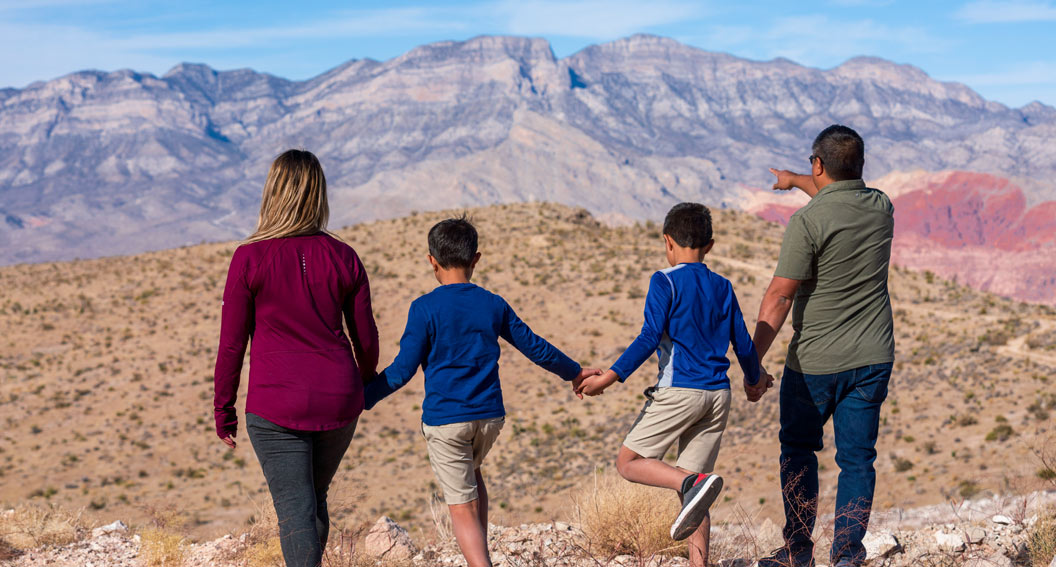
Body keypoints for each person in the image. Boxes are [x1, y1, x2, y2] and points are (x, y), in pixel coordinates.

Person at [362, 216, 601, 567]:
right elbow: (534, 346)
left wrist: (361, 399)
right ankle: (482, 555)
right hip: (489, 418)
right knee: (472, 475)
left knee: (460, 505)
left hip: (447, 422)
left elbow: (401, 371)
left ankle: (480, 563)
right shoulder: (492, 304)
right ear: (476, 259)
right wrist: (575, 372)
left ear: (432, 260)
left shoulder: (424, 308)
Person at [576, 202, 770, 567]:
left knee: (629, 462)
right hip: (718, 396)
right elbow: (742, 343)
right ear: (709, 245)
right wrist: (755, 378)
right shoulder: (723, 286)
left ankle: (688, 484)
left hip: (680, 390)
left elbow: (649, 337)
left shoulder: (663, 281)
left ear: (668, 242)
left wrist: (610, 378)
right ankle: (699, 556)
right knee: (697, 492)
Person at [212, 149, 379, 567]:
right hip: (339, 400)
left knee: (295, 510)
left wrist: (223, 408)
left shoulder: (248, 258)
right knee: (311, 500)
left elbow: (232, 345)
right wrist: (364, 382)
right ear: (318, 194)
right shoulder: (344, 256)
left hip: (275, 405)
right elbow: (367, 340)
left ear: (273, 193)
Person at [751, 125, 895, 567]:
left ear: (819, 164)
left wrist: (752, 360)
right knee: (857, 461)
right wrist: (797, 180)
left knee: (798, 451)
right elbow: (836, 198)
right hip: (873, 357)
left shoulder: (807, 222)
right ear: (861, 166)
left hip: (814, 362)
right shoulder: (881, 206)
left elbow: (778, 297)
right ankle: (847, 556)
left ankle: (798, 552)